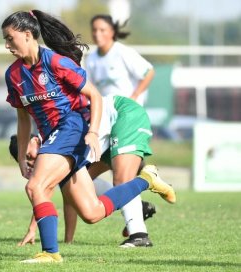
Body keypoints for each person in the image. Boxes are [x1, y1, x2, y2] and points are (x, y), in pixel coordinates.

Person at [1, 10, 175, 263]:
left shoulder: (56, 63)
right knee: (91, 212)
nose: (6, 45)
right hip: (53, 137)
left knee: (35, 185)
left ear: (28, 35)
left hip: (72, 127)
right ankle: (147, 179)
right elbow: (22, 118)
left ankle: (51, 254)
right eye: (4, 39)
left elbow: (93, 95)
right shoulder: (13, 75)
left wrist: (93, 133)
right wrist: (20, 158)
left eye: (10, 38)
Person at [9, 131, 156, 247]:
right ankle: (134, 205)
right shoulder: (50, 142)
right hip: (101, 142)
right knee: (77, 194)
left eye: (29, 156)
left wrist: (32, 229)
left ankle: (139, 232)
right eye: (27, 162)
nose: (32, 162)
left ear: (35, 141)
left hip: (116, 123)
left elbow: (43, 190)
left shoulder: (51, 143)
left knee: (120, 181)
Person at [85, 14, 156, 246]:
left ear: (112, 32)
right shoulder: (92, 58)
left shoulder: (122, 52)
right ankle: (137, 207)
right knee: (83, 176)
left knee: (122, 178)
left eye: (102, 29)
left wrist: (134, 97)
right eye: (94, 30)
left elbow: (149, 72)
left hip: (127, 118)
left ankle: (139, 236)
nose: (98, 34)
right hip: (106, 121)